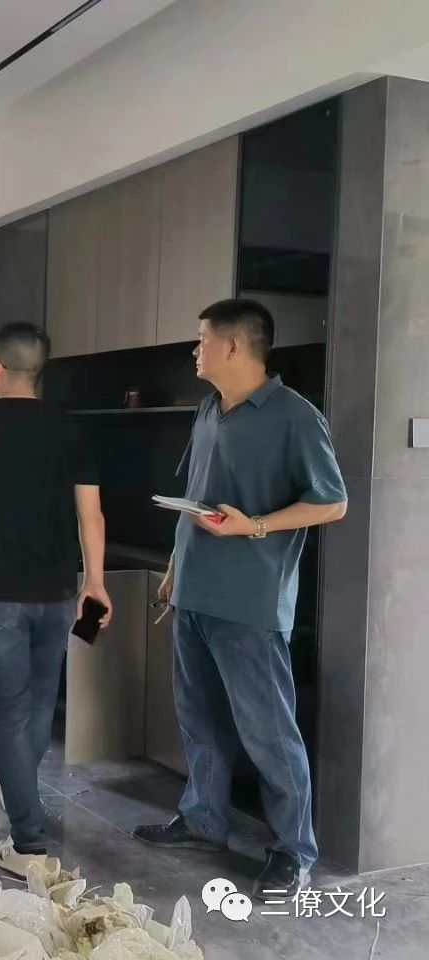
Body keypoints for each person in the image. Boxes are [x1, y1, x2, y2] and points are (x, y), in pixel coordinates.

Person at [132, 299, 347, 899]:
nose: (194, 350)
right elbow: (197, 495)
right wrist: (175, 567)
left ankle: (294, 851)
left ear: (232, 346)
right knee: (198, 718)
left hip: (250, 604)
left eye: (201, 339)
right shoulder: (209, 409)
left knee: (269, 732)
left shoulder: (295, 416)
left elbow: (332, 503)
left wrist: (254, 526)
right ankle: (203, 819)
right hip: (193, 595)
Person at [0, 322, 111, 858]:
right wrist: (94, 582)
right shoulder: (70, 428)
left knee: (9, 712)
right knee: (37, 703)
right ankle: (16, 782)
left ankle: (28, 840)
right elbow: (92, 516)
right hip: (56, 594)